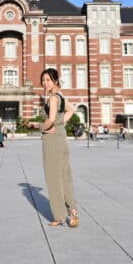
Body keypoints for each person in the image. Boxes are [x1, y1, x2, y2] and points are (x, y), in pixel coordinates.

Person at [39, 68, 79, 228]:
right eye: (43, 80)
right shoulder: (60, 96)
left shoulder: (53, 99)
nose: (45, 83)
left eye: (48, 80)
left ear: (55, 80)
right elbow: (72, 110)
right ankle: (73, 211)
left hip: (52, 140)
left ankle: (59, 216)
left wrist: (39, 127)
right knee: (65, 176)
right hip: (61, 138)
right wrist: (60, 124)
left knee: (53, 178)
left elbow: (50, 120)